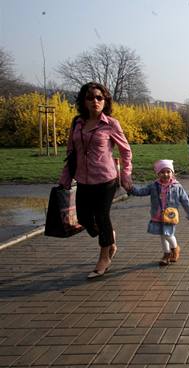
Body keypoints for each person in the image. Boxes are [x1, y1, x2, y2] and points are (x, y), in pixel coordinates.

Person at [59, 81, 133, 279]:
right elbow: (71, 152)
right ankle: (109, 237)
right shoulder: (77, 123)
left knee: (102, 216)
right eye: (90, 97)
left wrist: (126, 173)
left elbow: (126, 151)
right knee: (83, 218)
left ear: (105, 100)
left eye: (99, 97)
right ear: (84, 101)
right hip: (83, 179)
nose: (95, 101)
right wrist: (65, 178)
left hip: (105, 179)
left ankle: (104, 258)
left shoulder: (111, 124)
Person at [128, 160, 189, 265]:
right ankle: (166, 254)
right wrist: (131, 189)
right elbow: (141, 192)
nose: (165, 174)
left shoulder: (177, 187)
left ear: (172, 173)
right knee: (162, 235)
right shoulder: (154, 186)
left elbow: (185, 201)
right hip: (158, 215)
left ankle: (175, 249)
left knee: (168, 234)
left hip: (170, 216)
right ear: (158, 173)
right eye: (162, 172)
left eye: (168, 172)